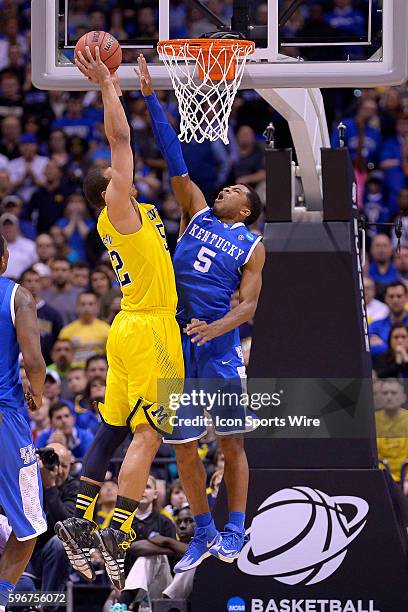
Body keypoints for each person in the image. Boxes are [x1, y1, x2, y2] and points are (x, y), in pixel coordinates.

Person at [55, 48, 184, 591]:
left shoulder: (128, 217)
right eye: (116, 178)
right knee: (150, 435)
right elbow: (121, 140)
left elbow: (128, 153)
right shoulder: (120, 212)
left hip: (126, 327)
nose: (124, 176)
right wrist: (110, 84)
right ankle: (119, 529)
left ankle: (82, 521)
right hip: (151, 327)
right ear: (108, 192)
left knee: (112, 428)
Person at [136, 55, 265, 572]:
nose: (226, 188)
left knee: (229, 440)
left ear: (247, 210)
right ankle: (204, 530)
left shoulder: (252, 244)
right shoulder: (195, 210)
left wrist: (217, 326)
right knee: (184, 447)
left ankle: (235, 526)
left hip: (218, 344)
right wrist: (149, 97)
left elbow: (252, 305)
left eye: (236, 190)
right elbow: (174, 156)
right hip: (176, 341)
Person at [0, 232, 47, 612]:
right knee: (30, 523)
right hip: (4, 417)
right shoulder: (17, 295)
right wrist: (39, 391)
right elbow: (33, 361)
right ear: (4, 260)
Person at [12, 443, 79, 612]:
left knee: (62, 542)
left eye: (65, 466)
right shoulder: (25, 479)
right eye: (54, 463)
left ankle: (48, 607)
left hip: (49, 555)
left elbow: (68, 526)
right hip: (20, 551)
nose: (58, 470)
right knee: (22, 594)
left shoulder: (74, 487)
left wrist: (50, 488)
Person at [20, 267, 63, 365]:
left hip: (46, 366)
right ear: (21, 284)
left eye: (36, 281)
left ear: (41, 284)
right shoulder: (13, 311)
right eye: (29, 281)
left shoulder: (52, 315)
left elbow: (57, 341)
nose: (33, 284)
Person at [58, 290, 110, 367]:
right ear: (77, 307)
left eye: (90, 304)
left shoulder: (107, 330)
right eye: (83, 304)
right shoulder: (66, 331)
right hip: (75, 374)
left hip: (97, 373)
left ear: (97, 307)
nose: (86, 307)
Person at [375, 379, 408, 482]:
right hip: (380, 479)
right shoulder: (372, 421)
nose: (389, 397)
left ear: (403, 397)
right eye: (385, 393)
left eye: (394, 393)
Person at [369, 282, 408, 359]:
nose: (395, 300)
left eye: (399, 296)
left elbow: (378, 349)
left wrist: (384, 345)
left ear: (406, 298)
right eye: (391, 296)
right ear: (385, 299)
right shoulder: (375, 326)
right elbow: (370, 350)